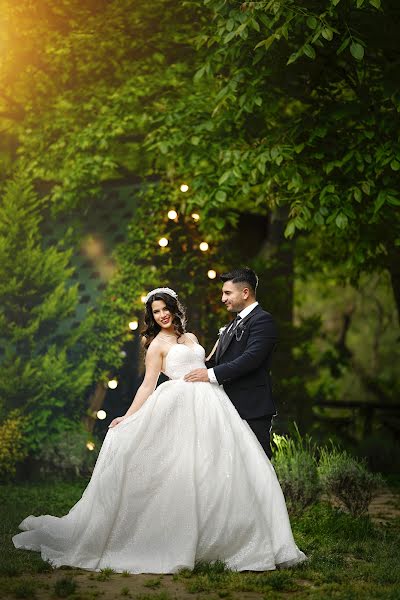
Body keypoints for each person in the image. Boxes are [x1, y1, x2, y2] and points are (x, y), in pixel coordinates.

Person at [13, 287, 305, 574]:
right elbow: (147, 385)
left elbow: (203, 365)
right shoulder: (156, 344)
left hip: (211, 404)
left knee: (214, 468)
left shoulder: (190, 337)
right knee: (177, 468)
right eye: (156, 311)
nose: (162, 315)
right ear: (151, 316)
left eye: (165, 309)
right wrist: (127, 417)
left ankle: (225, 537)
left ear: (175, 309)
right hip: (177, 405)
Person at [184, 268, 277, 458]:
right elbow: (214, 361)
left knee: (258, 466)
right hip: (226, 407)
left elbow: (251, 359)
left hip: (252, 408)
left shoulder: (262, 320)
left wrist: (209, 375)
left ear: (245, 292)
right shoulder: (230, 326)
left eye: (227, 293)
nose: (222, 299)